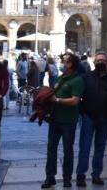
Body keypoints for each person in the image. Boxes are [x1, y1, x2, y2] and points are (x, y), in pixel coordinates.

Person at [76, 51, 107, 187]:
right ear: (94, 62)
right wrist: (82, 112)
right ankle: (81, 175)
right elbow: (80, 97)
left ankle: (96, 174)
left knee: (100, 148)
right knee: (85, 147)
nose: (100, 62)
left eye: (103, 60)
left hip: (105, 119)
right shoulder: (86, 77)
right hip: (89, 117)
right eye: (98, 60)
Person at [42, 53, 84, 189]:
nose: (62, 63)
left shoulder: (77, 80)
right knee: (51, 148)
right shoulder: (60, 78)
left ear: (71, 64)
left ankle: (67, 178)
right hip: (55, 119)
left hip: (68, 121)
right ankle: (50, 177)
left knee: (68, 150)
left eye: (64, 61)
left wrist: (57, 100)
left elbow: (75, 100)